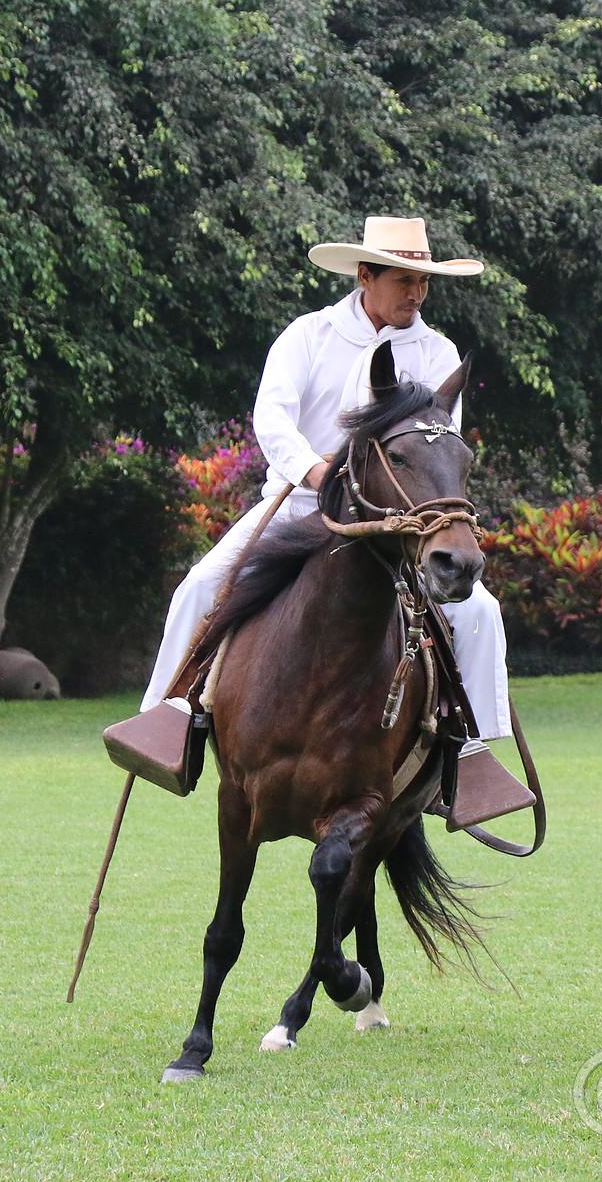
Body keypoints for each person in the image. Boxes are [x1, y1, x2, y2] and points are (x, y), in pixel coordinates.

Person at [139, 216, 526, 821]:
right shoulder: (308, 335)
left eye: (424, 283)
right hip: (295, 504)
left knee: (479, 612)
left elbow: (435, 442)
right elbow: (272, 418)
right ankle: (173, 721)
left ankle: (463, 755)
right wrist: (317, 474)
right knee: (201, 587)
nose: (417, 294)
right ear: (365, 276)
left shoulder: (437, 352)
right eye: (405, 280)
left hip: (392, 523)